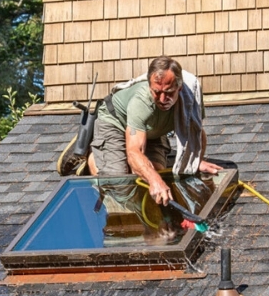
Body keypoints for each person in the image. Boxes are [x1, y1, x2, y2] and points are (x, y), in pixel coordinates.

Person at [58, 56, 221, 206]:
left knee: (157, 174)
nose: (163, 100)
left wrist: (196, 161)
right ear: (150, 86)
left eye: (169, 93)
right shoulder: (142, 101)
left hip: (152, 130)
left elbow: (196, 132)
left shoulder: (190, 98)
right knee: (120, 185)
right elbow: (134, 152)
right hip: (115, 122)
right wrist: (154, 181)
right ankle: (93, 156)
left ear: (179, 87)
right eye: (157, 92)